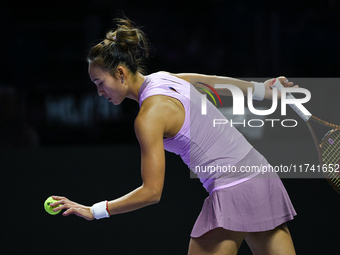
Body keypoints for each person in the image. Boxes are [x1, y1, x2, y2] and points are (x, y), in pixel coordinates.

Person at [51, 18, 297, 255]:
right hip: (260, 174)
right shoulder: (163, 78)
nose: (99, 91)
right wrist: (261, 89)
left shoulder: (148, 118)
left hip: (233, 187)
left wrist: (94, 211)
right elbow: (209, 82)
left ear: (121, 73)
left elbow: (151, 193)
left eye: (99, 82)